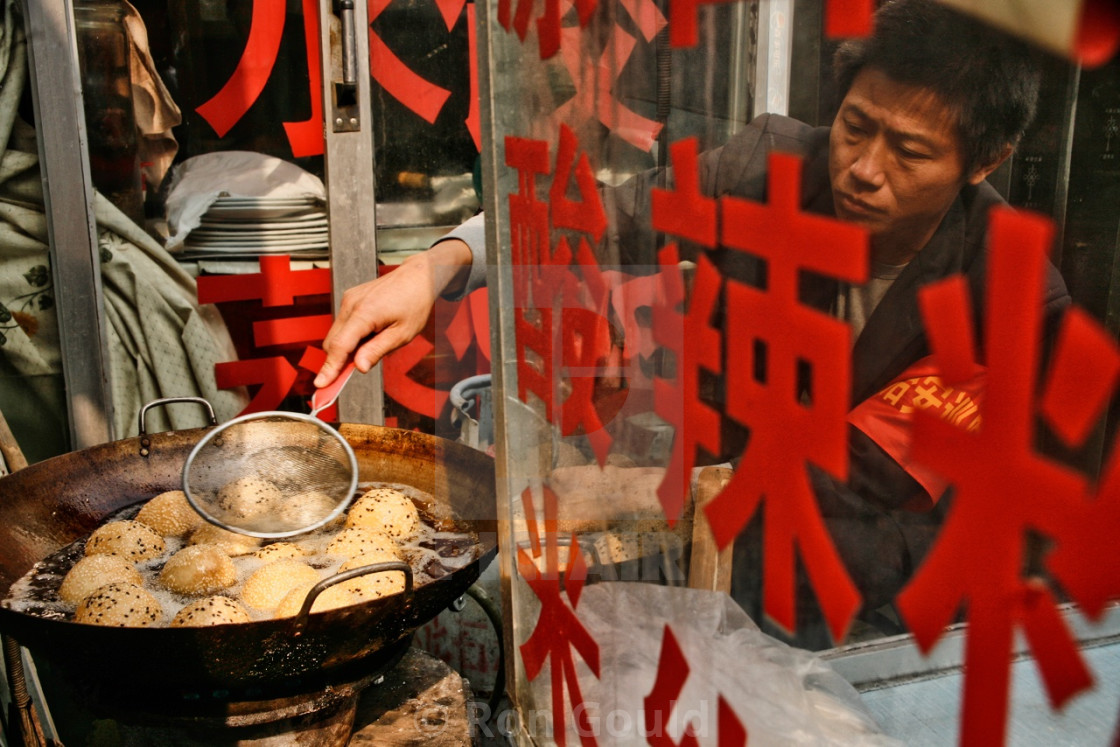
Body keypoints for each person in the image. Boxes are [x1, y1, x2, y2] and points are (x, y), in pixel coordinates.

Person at [315, 0, 1069, 646]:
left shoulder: (1007, 300)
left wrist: (638, 492)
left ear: (984, 161)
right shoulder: (767, 167)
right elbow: (597, 221)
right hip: (705, 570)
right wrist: (439, 266)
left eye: (910, 152)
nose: (865, 169)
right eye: (856, 126)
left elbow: (850, 484)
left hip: (865, 606)